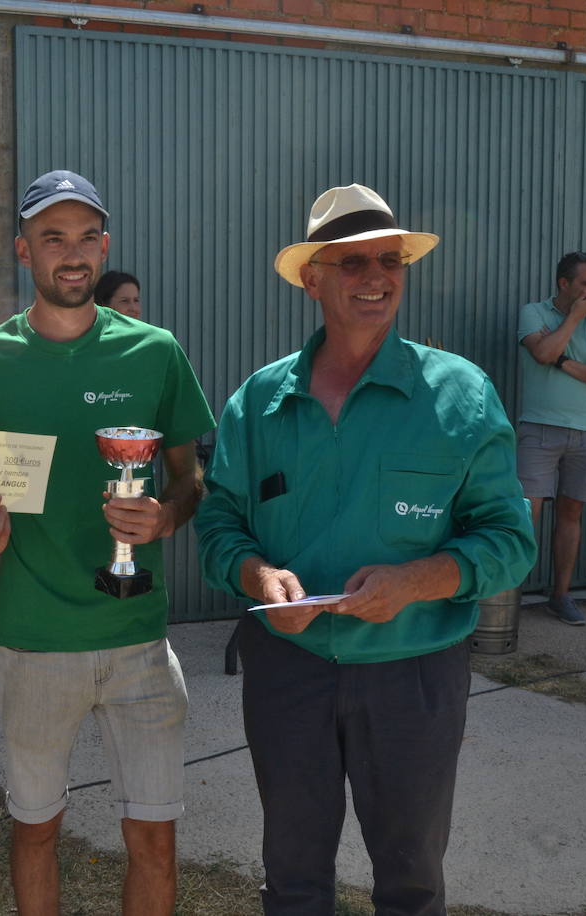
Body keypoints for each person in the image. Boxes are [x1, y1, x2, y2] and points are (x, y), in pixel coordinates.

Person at [195, 183, 535, 915]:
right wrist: (257, 573)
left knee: (412, 883)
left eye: (390, 260)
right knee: (293, 880)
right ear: (311, 277)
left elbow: (509, 542)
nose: (376, 278)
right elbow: (219, 523)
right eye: (352, 264)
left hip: (414, 676)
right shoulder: (258, 403)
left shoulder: (460, 398)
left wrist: (416, 581)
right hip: (289, 670)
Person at [0, 169, 215, 915]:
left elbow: (187, 479)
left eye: (85, 238)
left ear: (104, 247)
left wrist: (166, 516)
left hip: (137, 636)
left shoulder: (155, 351)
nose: (71, 255)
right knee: (36, 832)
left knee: (155, 840)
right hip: (35, 640)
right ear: (22, 250)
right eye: (52, 238)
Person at [516, 251, 586, 625]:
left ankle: (560, 595)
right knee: (527, 512)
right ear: (564, 283)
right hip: (540, 426)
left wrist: (563, 361)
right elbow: (542, 352)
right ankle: (508, 597)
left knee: (571, 513)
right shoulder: (534, 312)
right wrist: (574, 319)